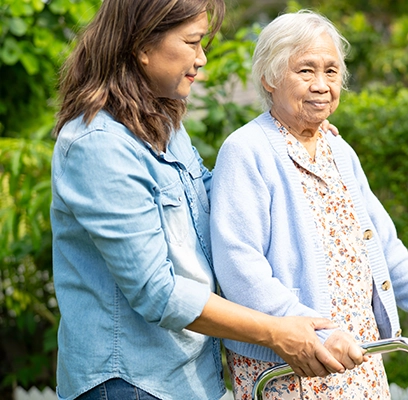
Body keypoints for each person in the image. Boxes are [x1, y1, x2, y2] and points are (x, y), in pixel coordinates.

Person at [50, 1, 358, 399]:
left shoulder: (163, 127)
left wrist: (290, 135)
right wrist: (276, 330)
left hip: (192, 377)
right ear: (142, 46)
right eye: (193, 42)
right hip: (130, 382)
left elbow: (222, 205)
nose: (201, 59)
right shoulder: (99, 146)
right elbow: (157, 291)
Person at [210, 10, 408, 399]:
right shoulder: (245, 151)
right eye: (305, 71)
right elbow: (240, 268)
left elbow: (383, 250)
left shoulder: (339, 150)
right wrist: (316, 331)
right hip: (290, 367)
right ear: (269, 78)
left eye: (332, 71)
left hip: (359, 357)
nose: (321, 85)